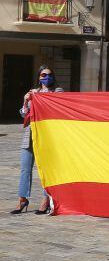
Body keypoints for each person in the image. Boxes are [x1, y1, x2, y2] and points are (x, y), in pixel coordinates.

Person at [11, 66, 63, 215]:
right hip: (29, 135)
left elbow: (56, 106)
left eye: (49, 74)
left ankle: (45, 200)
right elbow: (24, 115)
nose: (46, 77)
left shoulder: (57, 91)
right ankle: (22, 199)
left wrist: (41, 97)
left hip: (47, 137)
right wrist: (25, 101)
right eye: (43, 74)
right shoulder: (33, 92)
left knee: (46, 169)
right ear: (38, 77)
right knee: (25, 169)